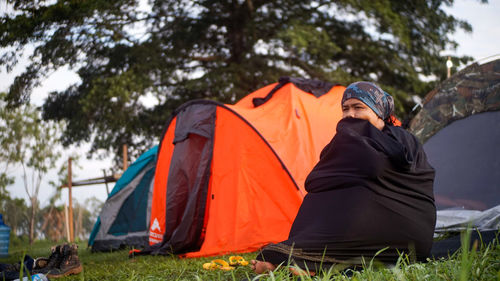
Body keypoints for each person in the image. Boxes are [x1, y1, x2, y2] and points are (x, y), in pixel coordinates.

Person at [251, 81, 436, 275]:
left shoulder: (398, 140)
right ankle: (316, 267)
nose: (350, 115)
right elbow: (317, 180)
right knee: (325, 195)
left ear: (379, 111)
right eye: (345, 109)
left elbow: (374, 168)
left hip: (402, 228)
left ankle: (306, 259)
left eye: (359, 107)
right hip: (414, 244)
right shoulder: (399, 139)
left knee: (344, 197)